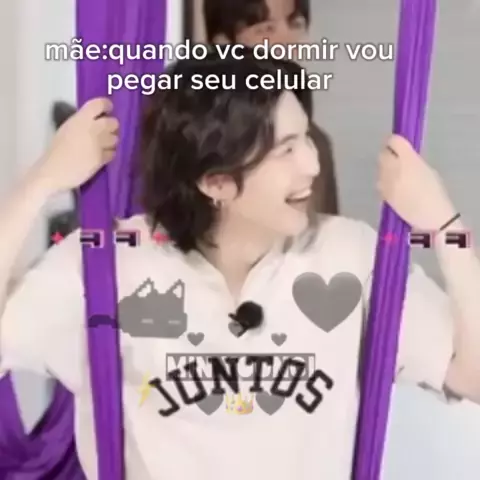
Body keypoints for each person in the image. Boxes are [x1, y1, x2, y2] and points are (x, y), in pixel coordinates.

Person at [1, 54, 480, 480]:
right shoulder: (108, 262)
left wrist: (444, 223)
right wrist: (40, 182)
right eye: (286, 149)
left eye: (306, 138)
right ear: (217, 183)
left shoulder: (348, 257)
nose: (313, 164)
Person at [202, 0, 340, 214]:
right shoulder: (199, 138)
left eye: (295, 24)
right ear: (223, 43)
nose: (287, 40)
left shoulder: (315, 143)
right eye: (265, 29)